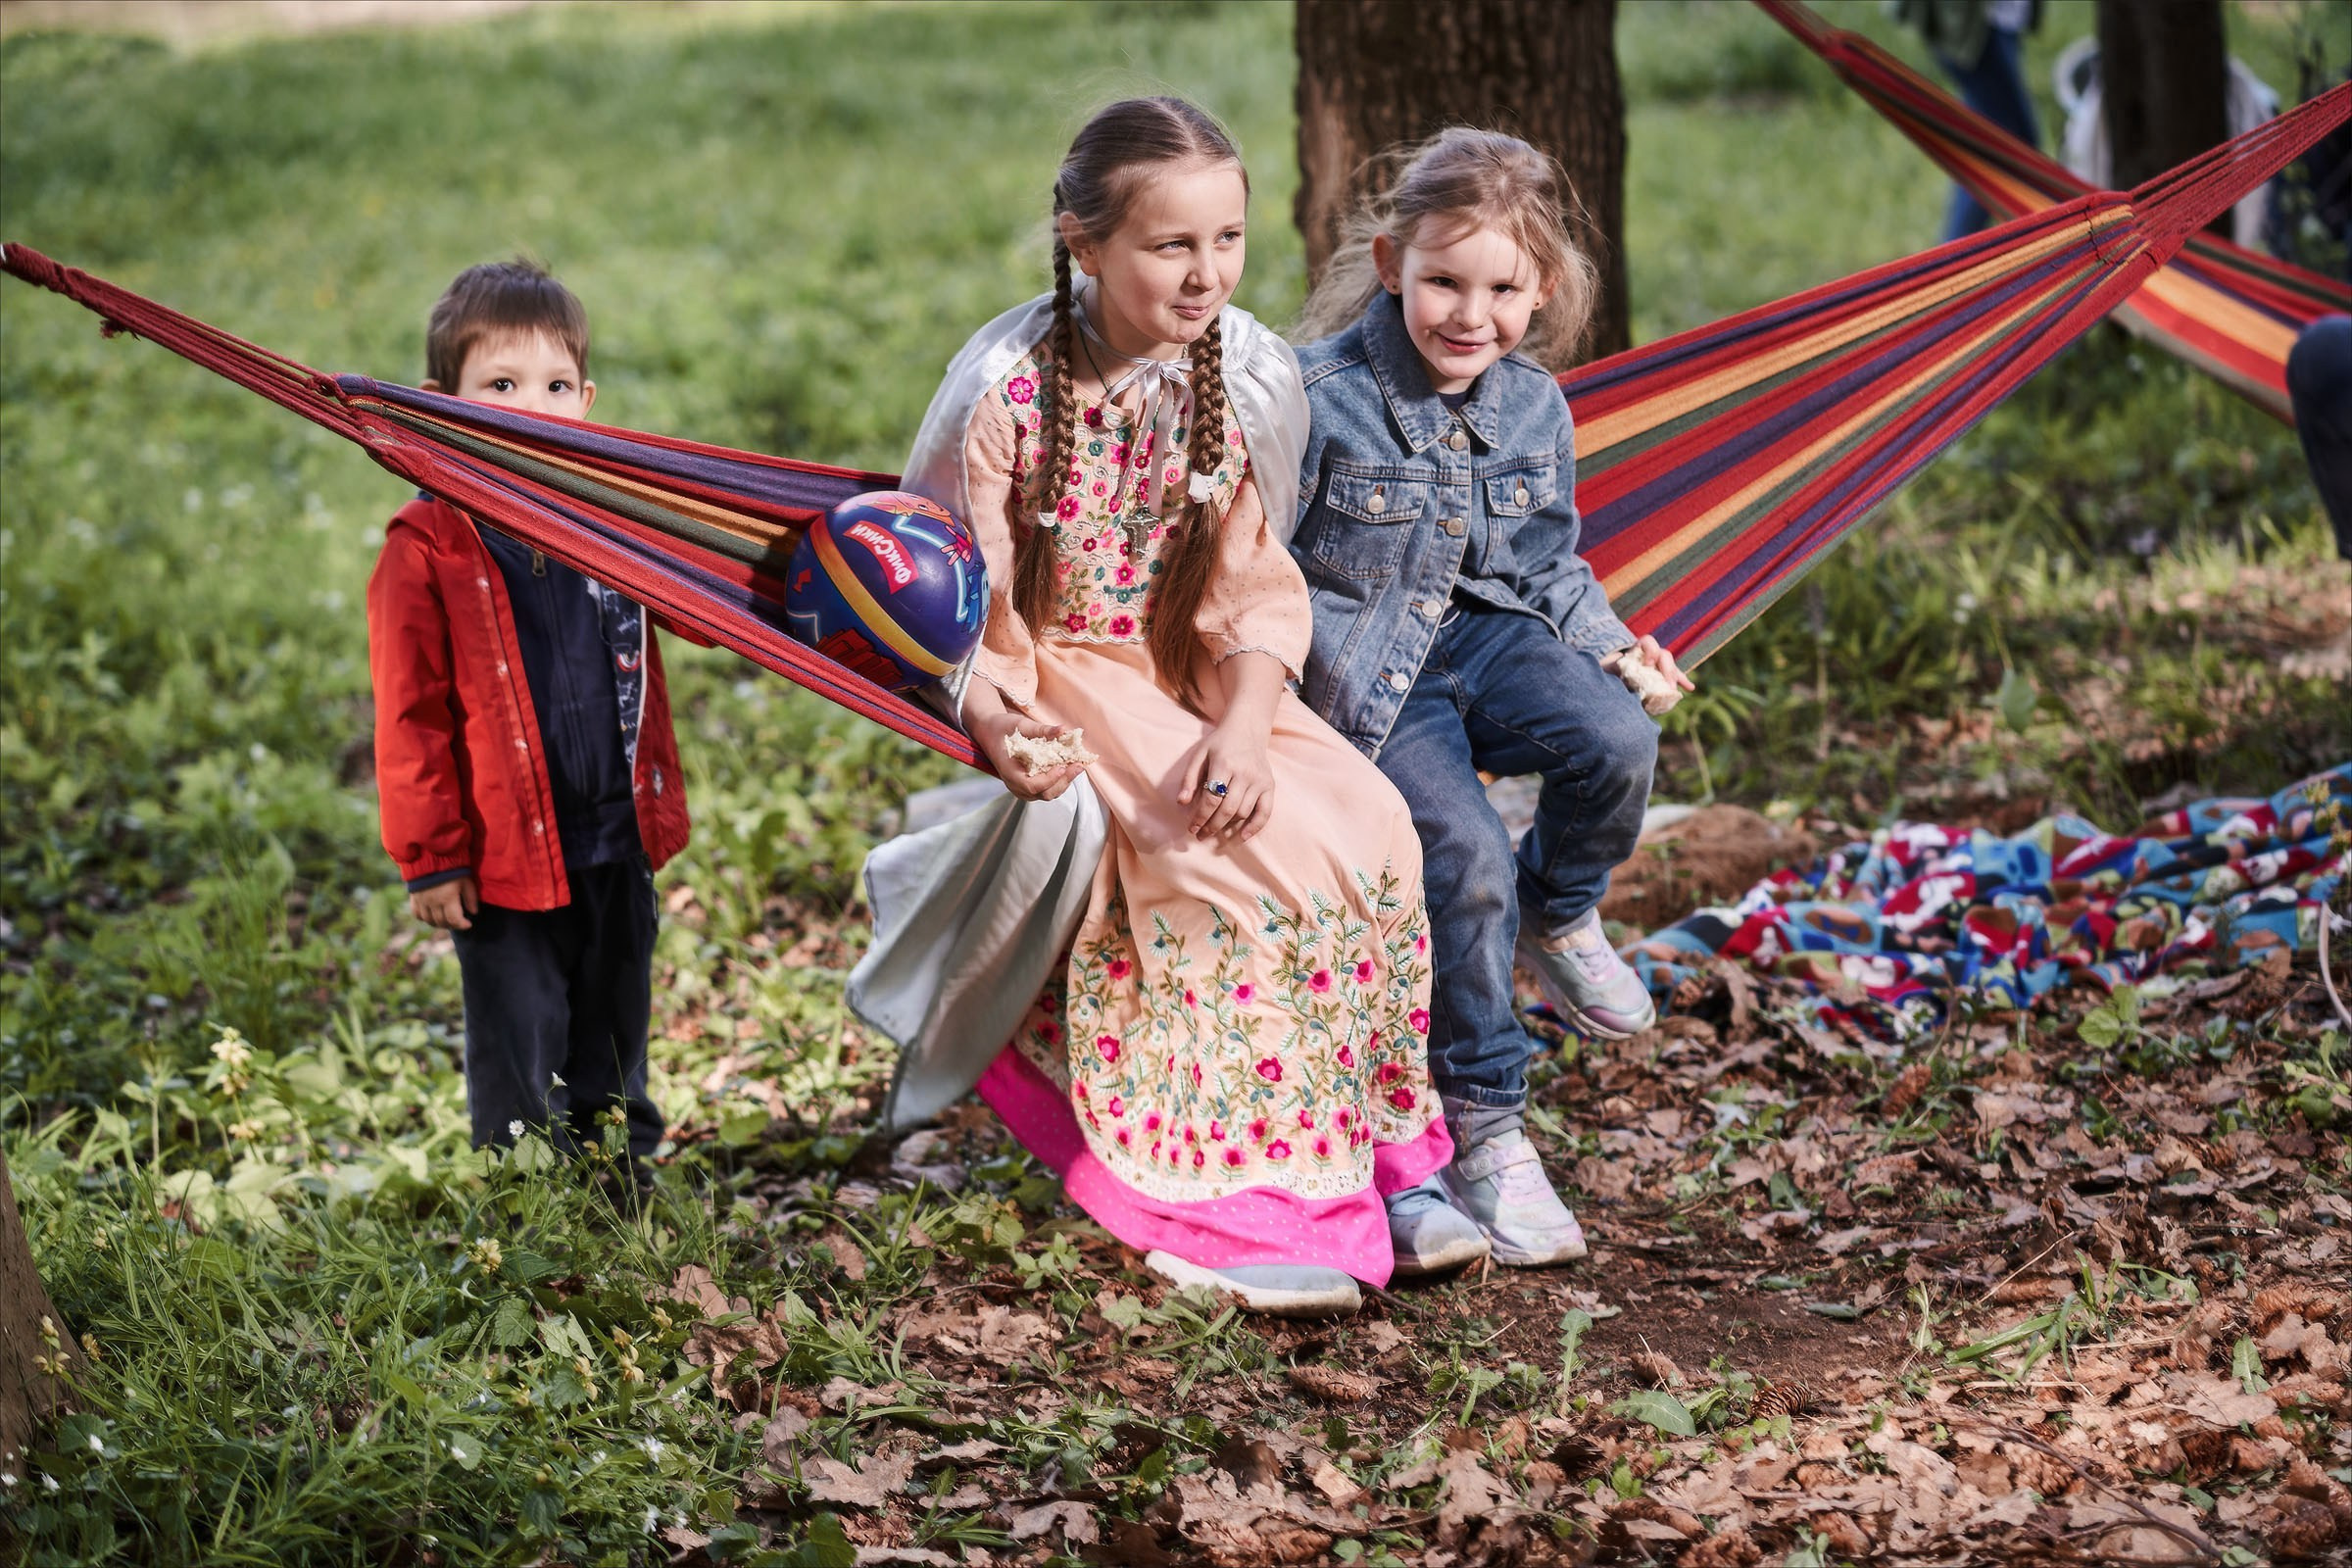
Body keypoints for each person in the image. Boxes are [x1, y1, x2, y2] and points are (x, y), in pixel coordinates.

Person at [886, 97, 1462, 1319]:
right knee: (1223, 862)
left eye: (1229, 241)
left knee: (1370, 823)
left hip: (1198, 669)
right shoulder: (1005, 394)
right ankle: (1230, 1203)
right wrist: (998, 718)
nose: (1207, 276)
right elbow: (948, 611)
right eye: (1171, 247)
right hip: (1061, 672)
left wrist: (1248, 723)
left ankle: (1369, 1163)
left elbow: (1257, 586)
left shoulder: (1244, 372)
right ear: (1082, 244)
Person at [1291, 129, 1690, 1269]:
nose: (1472, 314)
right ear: (1389, 266)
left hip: (1488, 638)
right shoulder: (1319, 397)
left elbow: (1547, 565)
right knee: (1460, 854)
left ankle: (1559, 909)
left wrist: (1616, 650)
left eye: (1503, 288)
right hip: (1372, 673)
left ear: (1542, 289)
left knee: (1616, 739)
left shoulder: (1533, 406)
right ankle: (1488, 1126)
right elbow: (1256, 559)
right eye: (1444, 282)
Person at [367, 260, 689, 1176]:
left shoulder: (615, 517)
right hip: (502, 861)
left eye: (554, 386)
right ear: (442, 402)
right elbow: (410, 714)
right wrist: (433, 857)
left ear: (586, 399)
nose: (532, 408)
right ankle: (517, 1191)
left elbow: (704, 603)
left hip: (614, 832)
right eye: (501, 386)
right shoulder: (426, 545)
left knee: (615, 1017)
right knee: (521, 1034)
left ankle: (618, 1172)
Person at [1889, 0, 2042, 242]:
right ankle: (1954, 260)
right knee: (2014, 150)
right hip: (1979, 26)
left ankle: (1950, 259)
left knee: (1985, 150)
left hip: (2003, 22)